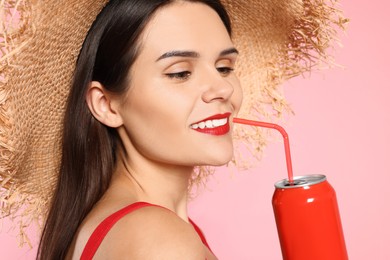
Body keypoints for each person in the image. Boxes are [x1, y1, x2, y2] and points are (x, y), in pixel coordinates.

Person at [0, 0, 346, 259]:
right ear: (106, 105)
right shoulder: (161, 242)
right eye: (180, 73)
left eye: (224, 67)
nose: (222, 89)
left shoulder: (112, 226)